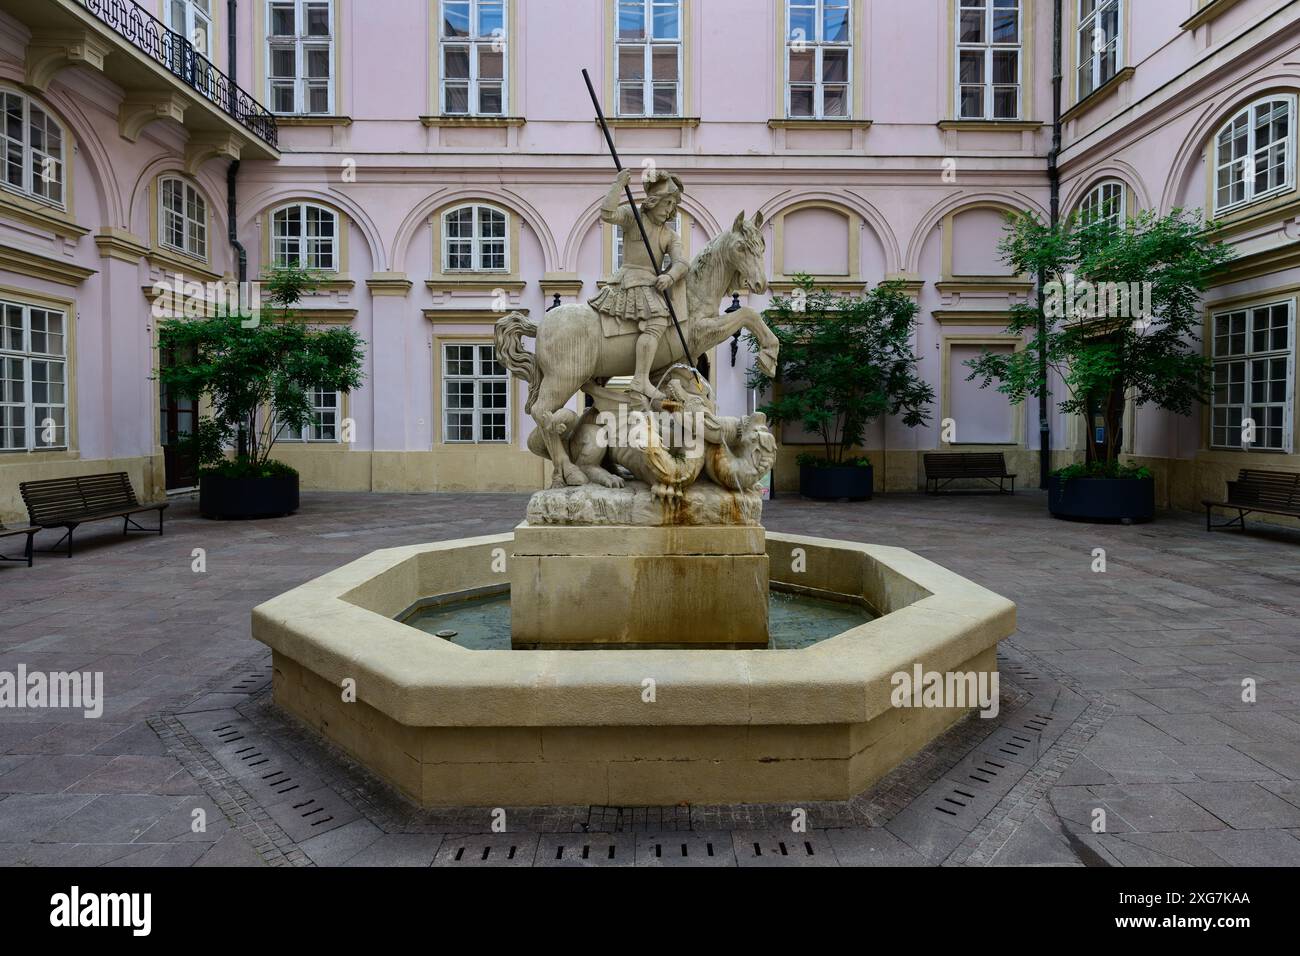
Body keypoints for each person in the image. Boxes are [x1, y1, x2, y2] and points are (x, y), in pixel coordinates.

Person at [588, 167, 688, 402]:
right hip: (629, 279)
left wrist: (670, 276)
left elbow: (682, 262)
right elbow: (607, 213)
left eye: (673, 206)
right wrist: (617, 185)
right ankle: (640, 379)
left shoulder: (669, 235)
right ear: (654, 202)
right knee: (656, 319)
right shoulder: (633, 216)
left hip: (652, 282)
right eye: (667, 204)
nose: (670, 210)